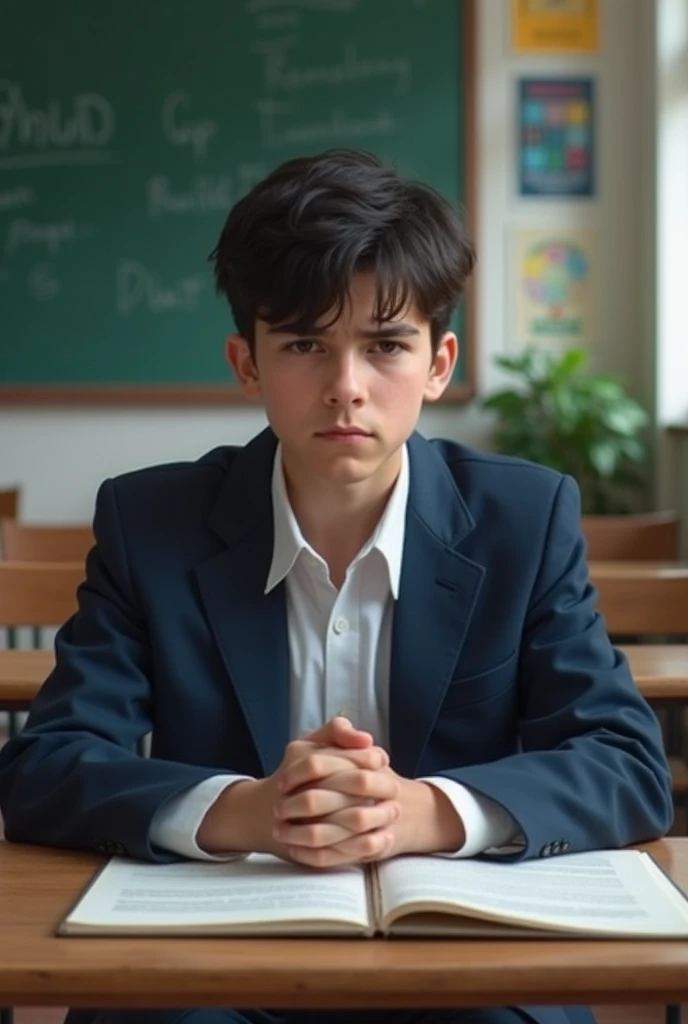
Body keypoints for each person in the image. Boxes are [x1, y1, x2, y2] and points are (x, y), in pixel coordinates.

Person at [0, 149, 672, 1024]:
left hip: (460, 956)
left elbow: (625, 763)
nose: (346, 388)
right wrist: (244, 812)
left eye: (387, 345)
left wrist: (425, 812)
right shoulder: (150, 522)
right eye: (306, 345)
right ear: (247, 363)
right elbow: (45, 766)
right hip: (215, 954)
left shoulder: (525, 518)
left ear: (438, 363)